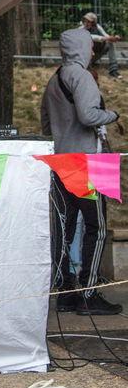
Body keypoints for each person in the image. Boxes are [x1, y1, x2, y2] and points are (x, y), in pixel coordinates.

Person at [41, 27, 124, 316]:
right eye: (89, 46)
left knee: (64, 229)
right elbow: (88, 116)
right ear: (79, 48)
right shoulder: (83, 76)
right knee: (96, 228)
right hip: (88, 162)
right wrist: (113, 115)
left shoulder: (54, 80)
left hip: (60, 161)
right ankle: (89, 293)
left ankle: (65, 293)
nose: (91, 51)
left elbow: (46, 125)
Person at [81, 12, 121, 79]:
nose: (86, 23)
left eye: (89, 22)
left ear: (93, 23)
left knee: (110, 43)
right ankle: (86, 68)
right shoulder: (81, 30)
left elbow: (106, 36)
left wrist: (114, 38)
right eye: (85, 21)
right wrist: (105, 38)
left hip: (97, 53)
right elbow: (92, 37)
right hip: (86, 58)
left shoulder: (98, 27)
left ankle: (113, 70)